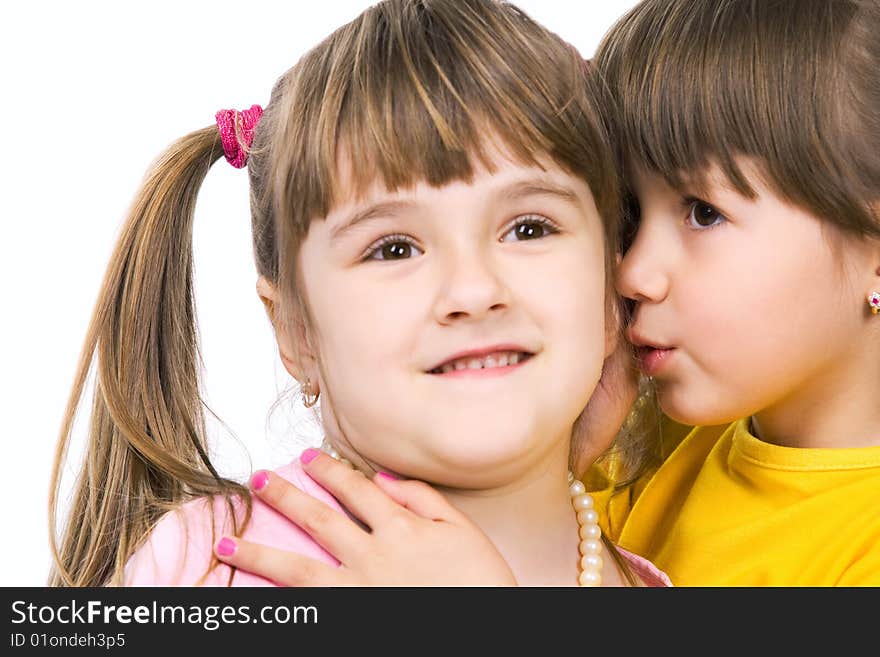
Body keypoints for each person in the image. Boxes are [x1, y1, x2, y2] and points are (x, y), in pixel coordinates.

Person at [48, 0, 669, 588]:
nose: (475, 291)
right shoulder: (214, 561)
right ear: (296, 332)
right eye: (393, 248)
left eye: (529, 229)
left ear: (613, 293)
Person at [583, 0, 880, 585]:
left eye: (702, 212)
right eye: (631, 214)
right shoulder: (645, 449)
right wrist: (566, 458)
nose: (631, 273)